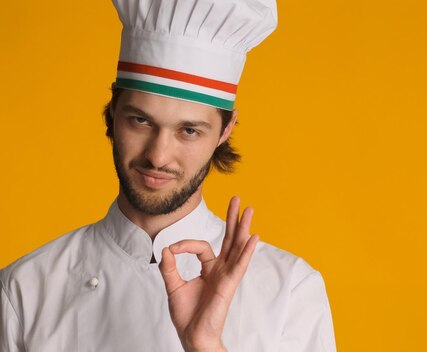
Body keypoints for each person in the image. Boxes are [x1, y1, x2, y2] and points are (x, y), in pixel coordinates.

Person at [0, 0, 336, 351]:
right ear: (114, 110)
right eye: (140, 120)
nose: (158, 156)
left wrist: (204, 342)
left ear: (225, 130)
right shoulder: (24, 290)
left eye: (189, 131)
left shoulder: (289, 291)